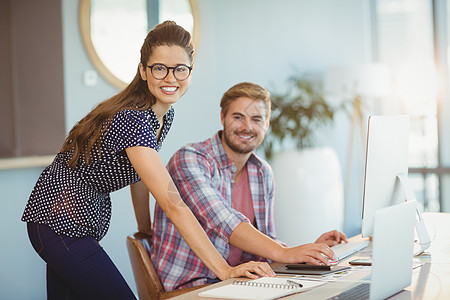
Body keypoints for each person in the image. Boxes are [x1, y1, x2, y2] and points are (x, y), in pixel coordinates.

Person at [21, 22, 274, 300]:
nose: (170, 78)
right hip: (59, 223)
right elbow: (173, 204)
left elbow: (140, 174)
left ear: (190, 72)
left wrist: (145, 229)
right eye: (159, 68)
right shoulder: (135, 119)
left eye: (180, 69)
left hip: (66, 223)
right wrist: (224, 270)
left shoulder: (161, 115)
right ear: (143, 70)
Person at [151, 82, 347, 291]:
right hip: (190, 288)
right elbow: (224, 221)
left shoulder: (262, 172)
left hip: (240, 282)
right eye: (238, 117)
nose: (247, 127)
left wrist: (306, 254)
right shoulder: (190, 159)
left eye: (256, 119)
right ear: (222, 117)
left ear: (266, 123)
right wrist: (285, 253)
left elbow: (266, 246)